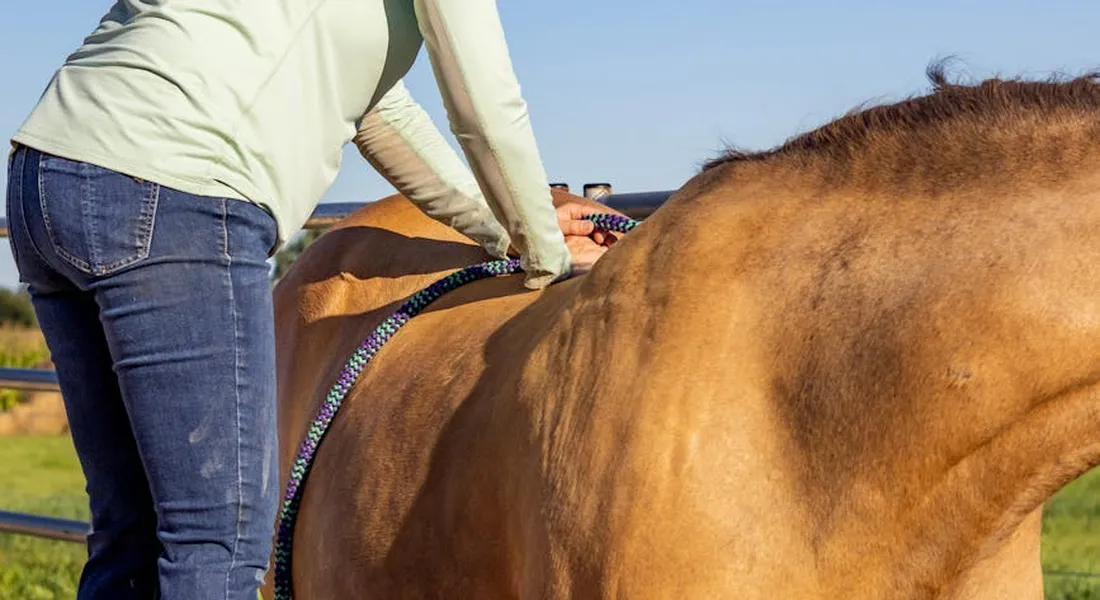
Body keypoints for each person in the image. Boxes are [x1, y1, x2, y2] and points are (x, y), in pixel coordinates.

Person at [4, 0, 610, 598]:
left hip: (49, 173)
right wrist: (544, 249)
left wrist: (513, 232)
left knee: (130, 525)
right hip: (174, 192)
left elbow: (375, 110)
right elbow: (484, 102)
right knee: (216, 542)